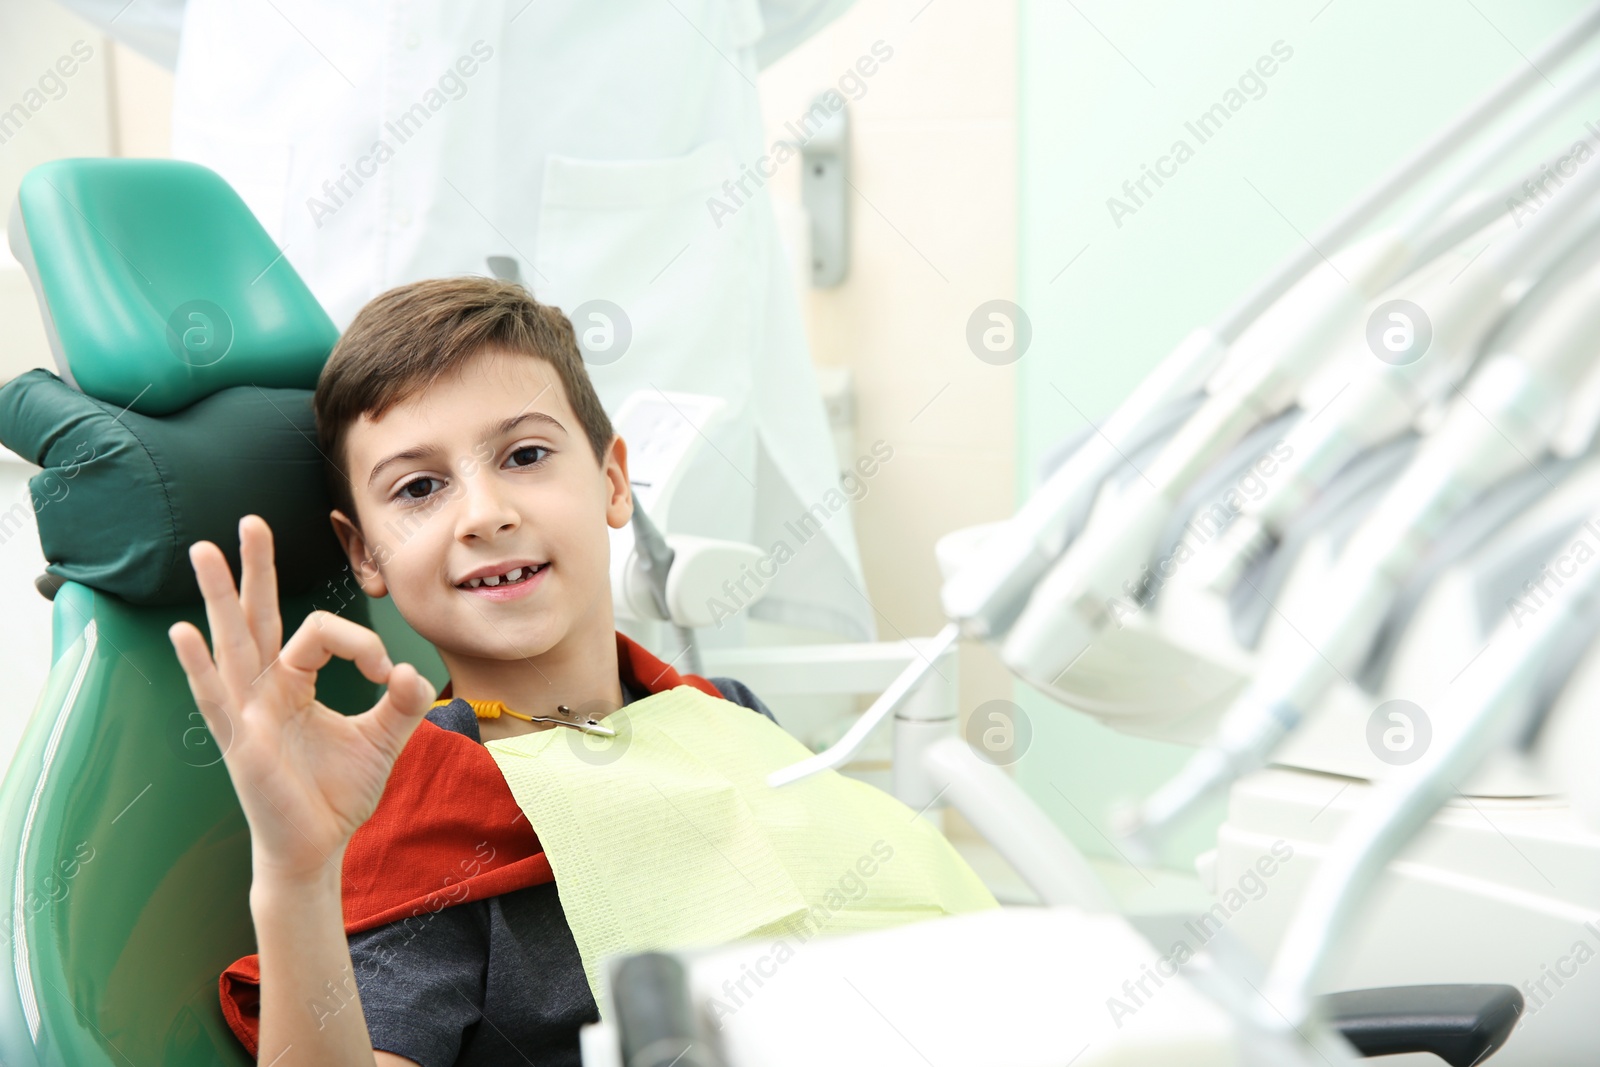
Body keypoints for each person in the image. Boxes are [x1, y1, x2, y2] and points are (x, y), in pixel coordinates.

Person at [57, 0, 878, 649]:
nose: (482, 514)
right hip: (300, 167)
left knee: (617, 697)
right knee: (297, 702)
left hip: (610, 143)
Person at [168, 276, 782, 1065]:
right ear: (365, 553)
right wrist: (298, 878)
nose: (485, 512)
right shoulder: (426, 817)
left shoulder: (729, 717)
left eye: (525, 454)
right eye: (420, 487)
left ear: (613, 481)